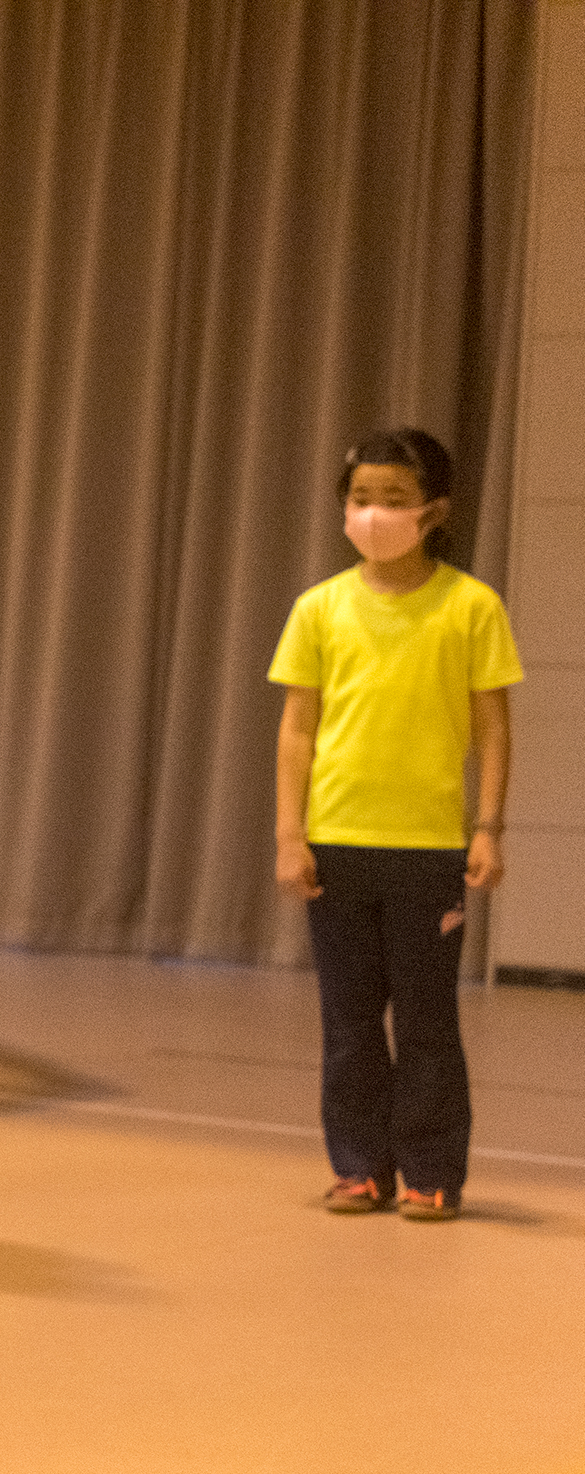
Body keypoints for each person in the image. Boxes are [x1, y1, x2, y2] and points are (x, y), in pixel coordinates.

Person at [270, 428, 521, 1222]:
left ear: (434, 511)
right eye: (359, 498)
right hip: (337, 842)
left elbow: (492, 728)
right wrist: (289, 834)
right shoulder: (318, 608)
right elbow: (296, 730)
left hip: (426, 851)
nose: (373, 514)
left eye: (393, 500)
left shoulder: (470, 606)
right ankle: (357, 1168)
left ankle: (431, 1173)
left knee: (424, 1021)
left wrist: (486, 827)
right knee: (346, 1023)